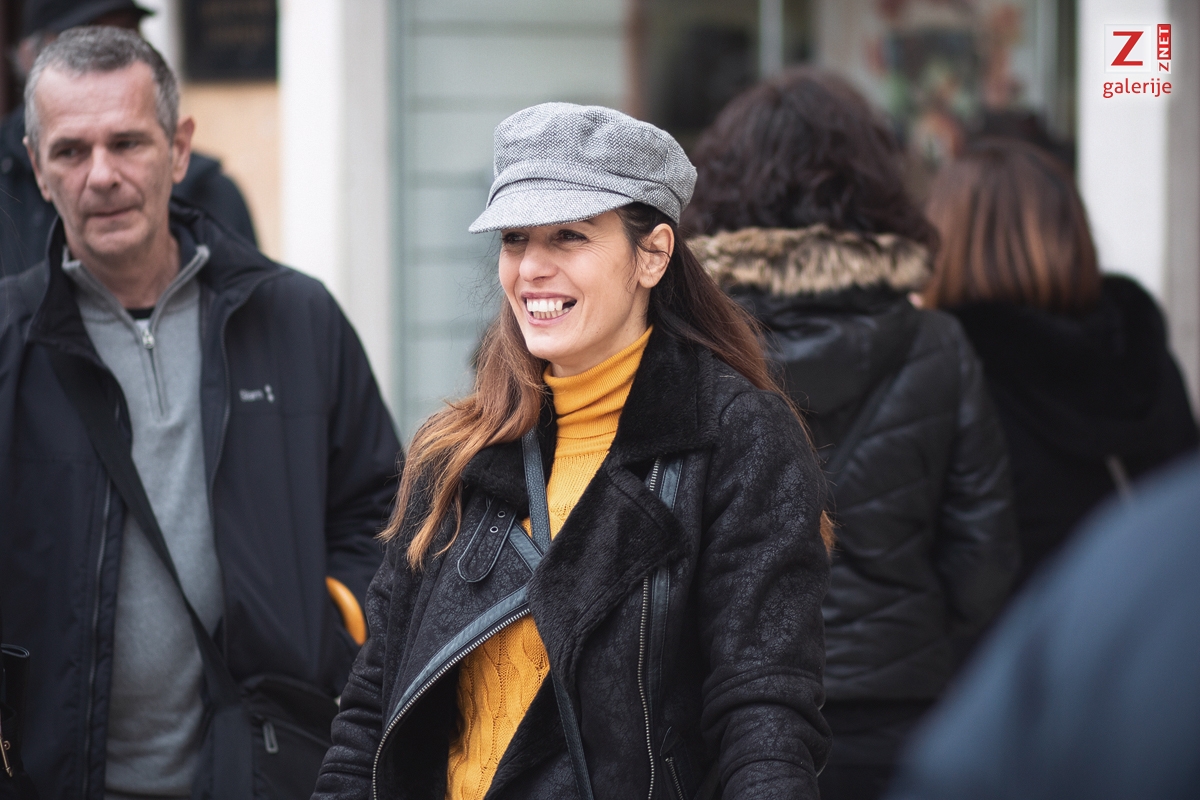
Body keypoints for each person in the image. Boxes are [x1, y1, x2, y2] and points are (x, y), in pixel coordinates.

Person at [313, 103, 833, 800]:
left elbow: (763, 711)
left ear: (653, 254)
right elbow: (371, 710)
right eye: (515, 239)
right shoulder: (456, 453)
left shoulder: (735, 438)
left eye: (569, 236)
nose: (532, 268)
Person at [0, 27, 400, 800]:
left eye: (127, 143)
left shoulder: (296, 318)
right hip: (55, 776)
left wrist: (328, 618)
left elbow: (385, 510)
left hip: (267, 772)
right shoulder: (8, 342)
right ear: (38, 169)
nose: (102, 175)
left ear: (179, 148)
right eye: (71, 152)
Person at [682, 67, 1020, 800]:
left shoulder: (692, 349)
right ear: (874, 187)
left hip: (732, 716)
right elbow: (984, 564)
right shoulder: (938, 345)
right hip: (901, 713)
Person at [922, 139, 1199, 586]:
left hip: (1023, 626)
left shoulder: (948, 375)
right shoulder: (1139, 353)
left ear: (949, 239)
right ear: (1073, 232)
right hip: (1148, 616)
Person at [886, 452, 1200, 800]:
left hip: (969, 671)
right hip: (928, 668)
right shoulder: (1156, 542)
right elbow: (981, 557)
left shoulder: (1139, 554)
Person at [0, 0, 258, 278]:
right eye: (82, 44)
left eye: (125, 35)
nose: (102, 177)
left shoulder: (209, 192)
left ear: (179, 148)